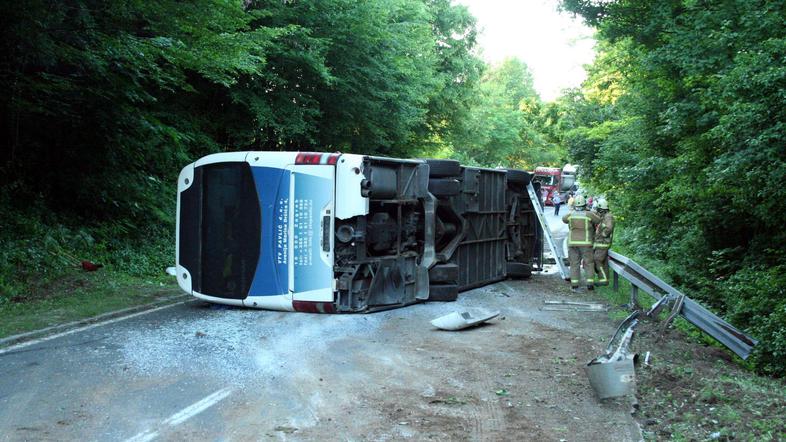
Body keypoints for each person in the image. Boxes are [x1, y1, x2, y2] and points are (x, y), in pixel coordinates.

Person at [562, 195, 600, 291]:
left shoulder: (570, 215)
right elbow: (598, 220)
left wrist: (572, 211)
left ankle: (574, 284)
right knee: (588, 263)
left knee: (574, 263)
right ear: (585, 205)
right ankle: (590, 284)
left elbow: (564, 219)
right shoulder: (589, 214)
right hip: (586, 244)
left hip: (572, 243)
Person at [593, 198, 614, 286]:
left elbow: (609, 228)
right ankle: (604, 281)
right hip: (601, 243)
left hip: (603, 243)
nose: (597, 211)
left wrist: (603, 235)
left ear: (602, 209)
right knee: (603, 262)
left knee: (597, 260)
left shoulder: (608, 216)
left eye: (598, 210)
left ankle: (603, 280)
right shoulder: (604, 216)